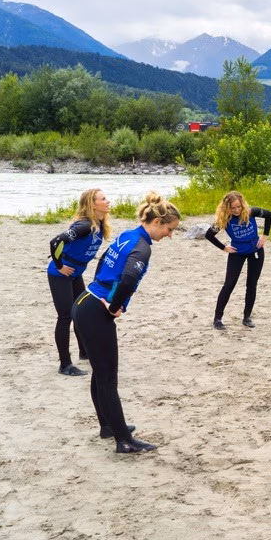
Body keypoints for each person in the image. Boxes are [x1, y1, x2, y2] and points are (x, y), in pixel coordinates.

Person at [73, 191, 181, 454]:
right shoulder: (142, 247)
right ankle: (124, 440)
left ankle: (107, 426)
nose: (169, 235)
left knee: (100, 373)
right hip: (96, 311)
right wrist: (113, 306)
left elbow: (101, 263)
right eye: (169, 229)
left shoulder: (127, 235)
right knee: (108, 378)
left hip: (84, 301)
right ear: (156, 223)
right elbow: (129, 280)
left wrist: (101, 291)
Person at [47, 188, 111, 376]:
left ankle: (84, 352)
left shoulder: (98, 224)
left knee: (80, 313)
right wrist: (59, 266)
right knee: (65, 316)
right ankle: (65, 364)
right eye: (103, 199)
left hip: (75, 273)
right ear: (92, 204)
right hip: (60, 274)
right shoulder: (83, 226)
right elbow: (56, 242)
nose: (108, 201)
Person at [205, 191, 271, 330]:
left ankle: (247, 317)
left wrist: (265, 236)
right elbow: (209, 235)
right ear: (226, 208)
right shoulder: (224, 219)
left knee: (251, 284)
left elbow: (269, 215)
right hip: (237, 253)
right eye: (232, 208)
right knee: (229, 285)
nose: (236, 210)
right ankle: (217, 319)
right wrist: (223, 247)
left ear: (242, 205)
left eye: (238, 207)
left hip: (256, 250)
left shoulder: (250, 212)